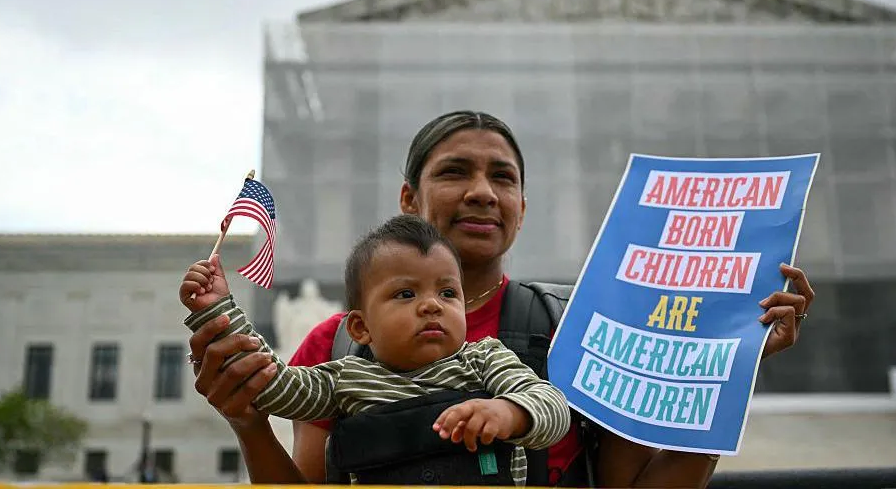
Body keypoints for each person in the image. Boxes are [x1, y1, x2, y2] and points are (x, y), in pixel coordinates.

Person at [180, 110, 817, 488]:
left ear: (520, 207)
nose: (483, 191)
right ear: (409, 200)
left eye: (503, 178)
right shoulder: (335, 346)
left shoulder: (582, 330)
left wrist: (732, 366)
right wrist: (246, 419)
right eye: (455, 171)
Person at [180, 214, 571, 485]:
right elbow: (269, 382)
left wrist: (509, 411)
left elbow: (552, 406)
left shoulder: (486, 358)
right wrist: (217, 310)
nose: (432, 304)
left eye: (448, 293)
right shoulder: (344, 378)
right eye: (406, 293)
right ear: (360, 327)